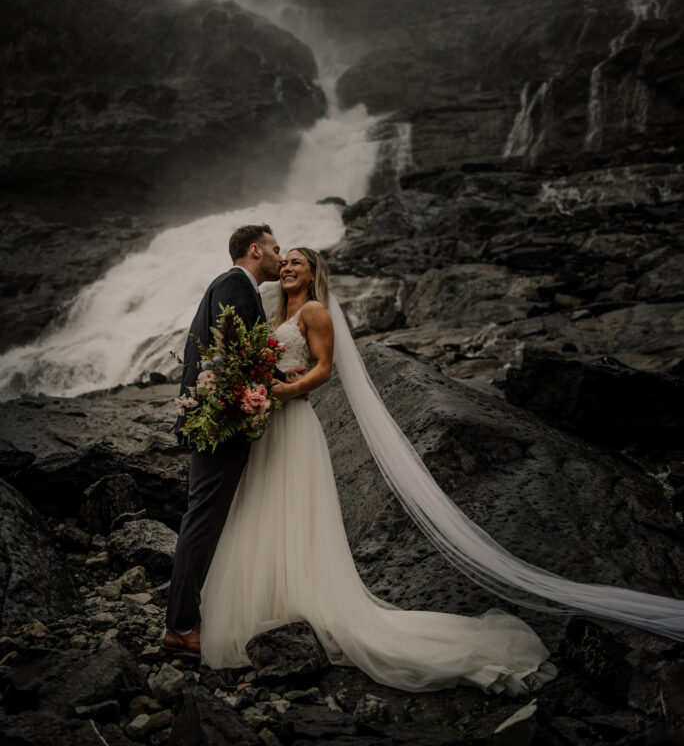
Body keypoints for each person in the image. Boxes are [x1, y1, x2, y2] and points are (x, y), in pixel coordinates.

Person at [199, 247, 556, 694]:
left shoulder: (314, 311)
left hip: (293, 424)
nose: (287, 267)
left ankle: (311, 602)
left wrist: (282, 392)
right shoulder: (272, 316)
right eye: (284, 262)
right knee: (265, 509)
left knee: (293, 506)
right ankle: (276, 601)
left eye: (298, 263)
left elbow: (324, 370)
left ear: (313, 274)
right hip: (268, 424)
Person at [164, 223, 303, 656]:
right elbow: (233, 354)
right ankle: (181, 626)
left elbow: (233, 351)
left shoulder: (234, 288)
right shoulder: (236, 285)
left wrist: (277, 375)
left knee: (206, 517)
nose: (282, 258)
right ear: (254, 250)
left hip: (217, 417)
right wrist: (279, 380)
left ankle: (191, 618)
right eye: (277, 249)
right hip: (221, 422)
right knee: (203, 520)